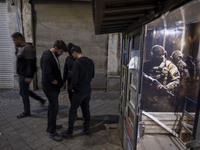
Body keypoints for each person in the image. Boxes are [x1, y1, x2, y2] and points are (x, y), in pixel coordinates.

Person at [61, 45, 95, 138]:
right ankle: (86, 129)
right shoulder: (90, 61)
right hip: (87, 89)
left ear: (75, 52)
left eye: (73, 54)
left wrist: (72, 87)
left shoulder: (77, 62)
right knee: (86, 109)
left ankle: (69, 132)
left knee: (72, 110)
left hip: (79, 91)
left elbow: (74, 79)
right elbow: (92, 75)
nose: (73, 56)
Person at [11, 32, 46, 119]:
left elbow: (30, 63)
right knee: (24, 91)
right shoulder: (22, 48)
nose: (14, 42)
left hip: (24, 75)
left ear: (19, 39)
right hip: (21, 74)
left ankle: (26, 111)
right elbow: (20, 59)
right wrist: (16, 50)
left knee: (23, 93)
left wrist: (29, 76)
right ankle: (41, 100)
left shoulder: (28, 48)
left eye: (14, 40)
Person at [40, 40, 67, 141]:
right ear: (55, 48)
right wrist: (57, 82)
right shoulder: (47, 57)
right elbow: (47, 74)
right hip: (49, 87)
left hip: (52, 87)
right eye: (61, 51)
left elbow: (55, 70)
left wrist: (60, 82)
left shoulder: (53, 55)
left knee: (52, 107)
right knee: (54, 108)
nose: (61, 53)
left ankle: (50, 126)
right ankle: (52, 132)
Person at [142, 45, 180, 112]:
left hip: (162, 100)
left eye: (160, 57)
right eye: (156, 58)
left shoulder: (170, 65)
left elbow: (176, 81)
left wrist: (166, 87)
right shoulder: (146, 65)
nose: (159, 59)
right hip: (147, 99)